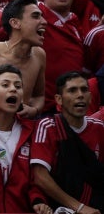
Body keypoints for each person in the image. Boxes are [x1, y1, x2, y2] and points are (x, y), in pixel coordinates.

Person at [0, 65, 52, 214]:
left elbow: (35, 178)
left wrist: (38, 200)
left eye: (18, 86)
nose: (13, 89)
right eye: (5, 85)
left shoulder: (33, 131)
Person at [31, 72, 104, 213]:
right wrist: (79, 207)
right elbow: (40, 177)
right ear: (59, 99)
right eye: (72, 90)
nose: (80, 95)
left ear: (90, 97)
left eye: (84, 90)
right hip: (57, 208)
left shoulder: (99, 128)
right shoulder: (47, 126)